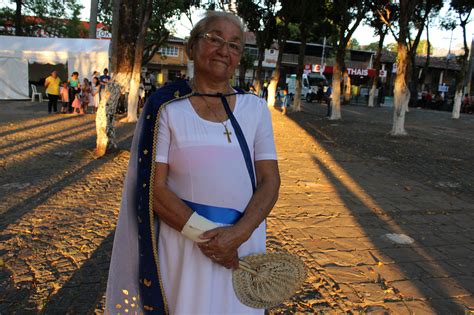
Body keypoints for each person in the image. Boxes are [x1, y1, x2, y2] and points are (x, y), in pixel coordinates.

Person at [105, 11, 280, 315]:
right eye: (214, 38)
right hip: (187, 246)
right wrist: (210, 240)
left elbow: (270, 181)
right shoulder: (166, 107)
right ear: (191, 46)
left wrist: (237, 236)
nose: (224, 50)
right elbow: (154, 189)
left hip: (243, 246)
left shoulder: (256, 109)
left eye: (235, 45)